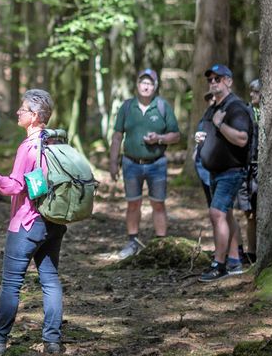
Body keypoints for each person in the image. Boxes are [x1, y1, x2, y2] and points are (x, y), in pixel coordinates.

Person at [0, 89, 66, 356]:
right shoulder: (56, 142)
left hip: (27, 223)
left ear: (34, 116)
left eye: (22, 110)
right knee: (51, 281)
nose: (18, 113)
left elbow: (14, 186)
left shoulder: (28, 147)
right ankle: (52, 342)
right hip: (53, 220)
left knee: (11, 284)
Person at [108, 69, 181, 258]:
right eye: (143, 82)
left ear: (155, 86)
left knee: (158, 204)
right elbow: (117, 136)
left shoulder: (162, 106)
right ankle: (132, 243)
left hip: (157, 163)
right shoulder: (127, 107)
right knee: (133, 204)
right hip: (131, 163)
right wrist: (113, 162)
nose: (146, 86)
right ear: (137, 85)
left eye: (150, 83)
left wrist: (159, 138)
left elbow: (176, 135)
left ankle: (161, 245)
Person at [194, 64, 252, 282]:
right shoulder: (213, 107)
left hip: (231, 170)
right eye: (210, 79)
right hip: (214, 171)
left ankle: (219, 265)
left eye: (218, 79)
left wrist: (219, 125)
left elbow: (241, 138)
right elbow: (211, 133)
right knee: (225, 214)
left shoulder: (235, 107)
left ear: (228, 81)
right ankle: (235, 260)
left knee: (216, 213)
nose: (213, 82)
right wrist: (202, 138)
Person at [235, 78, 261, 263]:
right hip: (247, 168)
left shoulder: (270, 113)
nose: (251, 95)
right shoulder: (246, 112)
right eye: (251, 91)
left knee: (260, 211)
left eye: (256, 92)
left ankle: (258, 250)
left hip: (262, 168)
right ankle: (250, 252)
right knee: (249, 212)